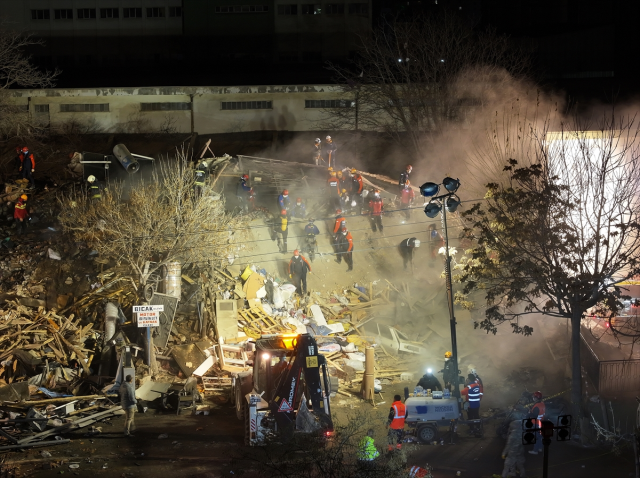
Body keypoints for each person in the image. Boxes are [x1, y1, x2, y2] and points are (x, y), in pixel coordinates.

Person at [528, 391, 545, 455]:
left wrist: (530, 413)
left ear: (536, 398)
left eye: (533, 397)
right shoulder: (542, 404)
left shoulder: (536, 406)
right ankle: (540, 448)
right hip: (541, 422)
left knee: (537, 437)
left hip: (536, 423)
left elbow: (534, 416)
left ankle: (535, 450)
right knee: (540, 436)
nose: (533, 398)